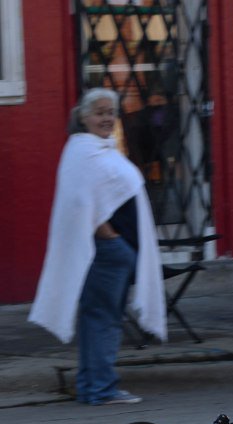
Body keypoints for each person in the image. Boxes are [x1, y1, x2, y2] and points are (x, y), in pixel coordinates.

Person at [29, 88, 166, 405]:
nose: (106, 118)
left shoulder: (98, 149)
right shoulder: (83, 151)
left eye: (111, 112)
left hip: (113, 253)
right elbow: (80, 202)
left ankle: (92, 386)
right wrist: (110, 236)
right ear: (83, 117)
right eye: (100, 112)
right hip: (107, 253)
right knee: (104, 321)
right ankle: (101, 388)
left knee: (97, 319)